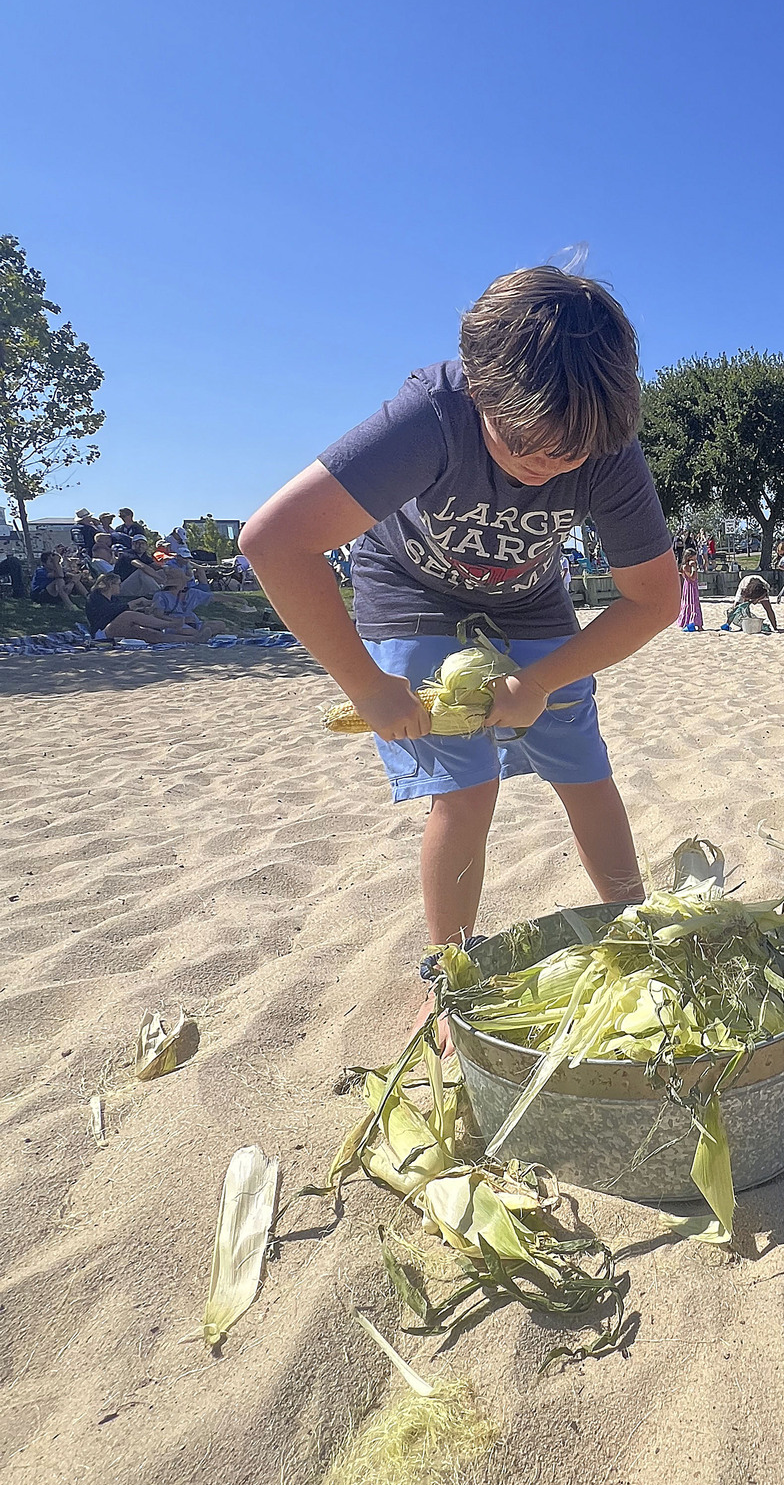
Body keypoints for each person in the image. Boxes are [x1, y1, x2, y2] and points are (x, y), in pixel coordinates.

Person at [238, 266, 680, 1000]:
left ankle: (633, 931)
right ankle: (452, 980)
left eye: (568, 455)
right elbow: (275, 542)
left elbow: (653, 600)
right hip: (410, 590)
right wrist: (369, 688)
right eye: (527, 446)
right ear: (477, 385)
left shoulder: (604, 442)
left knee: (584, 768)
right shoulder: (431, 417)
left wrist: (539, 681)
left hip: (529, 598)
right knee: (468, 787)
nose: (550, 468)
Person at [85, 571, 201, 644]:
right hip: (101, 632)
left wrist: (142, 610)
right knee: (128, 615)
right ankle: (170, 624)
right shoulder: (95, 597)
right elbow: (107, 612)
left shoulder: (113, 599)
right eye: (118, 584)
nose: (120, 587)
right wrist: (132, 604)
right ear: (110, 585)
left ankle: (193, 639)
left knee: (150, 635)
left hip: (117, 628)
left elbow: (116, 611)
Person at [677, 550, 703, 631]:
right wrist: (693, 568)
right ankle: (687, 622)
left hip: (694, 586)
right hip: (688, 587)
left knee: (696, 604)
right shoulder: (685, 566)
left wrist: (695, 567)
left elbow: (696, 578)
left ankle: (699, 624)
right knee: (689, 603)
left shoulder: (694, 564)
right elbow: (692, 577)